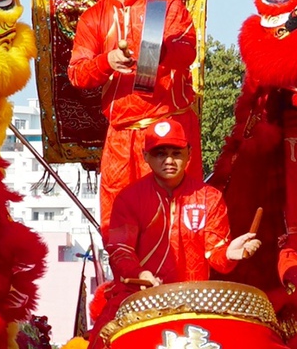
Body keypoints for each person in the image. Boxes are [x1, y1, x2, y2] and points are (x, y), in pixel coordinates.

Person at [67, 0, 200, 223]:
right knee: (119, 225)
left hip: (169, 132)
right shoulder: (92, 19)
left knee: (178, 224)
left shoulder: (165, 5)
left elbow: (187, 50)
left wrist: (159, 52)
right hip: (122, 137)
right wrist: (106, 62)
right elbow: (76, 74)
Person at [101, 118, 261, 294]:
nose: (169, 160)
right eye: (160, 154)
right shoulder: (128, 198)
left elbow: (217, 255)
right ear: (145, 155)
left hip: (194, 299)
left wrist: (229, 254)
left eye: (176, 153)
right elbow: (120, 250)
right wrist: (140, 274)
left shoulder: (210, 197)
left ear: (189, 153)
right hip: (141, 296)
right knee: (106, 322)